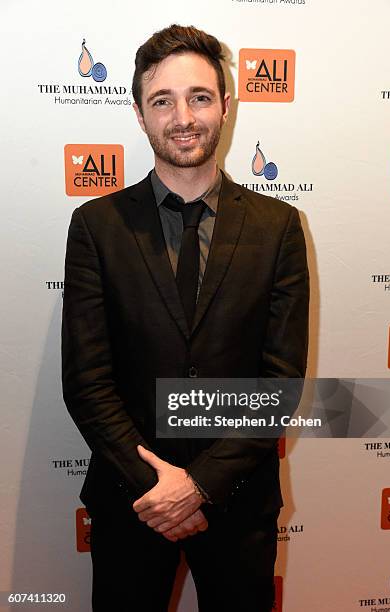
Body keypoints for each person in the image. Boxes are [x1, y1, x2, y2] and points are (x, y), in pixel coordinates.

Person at [62, 23, 309, 612]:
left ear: (226, 105)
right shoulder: (97, 227)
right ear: (140, 114)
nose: (183, 117)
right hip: (132, 497)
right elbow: (86, 380)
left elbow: (280, 384)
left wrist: (198, 486)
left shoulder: (279, 228)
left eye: (199, 97)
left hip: (240, 497)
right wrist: (159, 486)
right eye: (162, 101)